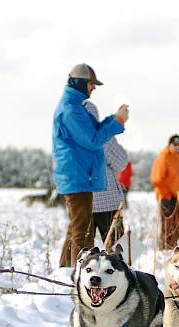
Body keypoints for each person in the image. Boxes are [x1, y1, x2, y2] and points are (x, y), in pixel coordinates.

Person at [52, 63, 129, 267]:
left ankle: (66, 269)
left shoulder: (75, 108)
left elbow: (93, 133)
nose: (93, 88)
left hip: (82, 180)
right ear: (80, 83)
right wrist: (117, 123)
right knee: (84, 232)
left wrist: (116, 120)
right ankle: (79, 273)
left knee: (79, 229)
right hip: (85, 182)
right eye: (91, 84)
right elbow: (95, 140)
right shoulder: (72, 111)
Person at [84, 100, 128, 251]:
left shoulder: (71, 138)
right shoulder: (103, 136)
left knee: (83, 249)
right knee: (119, 249)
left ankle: (76, 272)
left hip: (81, 200)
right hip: (107, 199)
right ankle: (124, 272)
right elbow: (121, 162)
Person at [151, 134, 179, 250]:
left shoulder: (178, 159)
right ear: (169, 145)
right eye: (174, 145)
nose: (176, 147)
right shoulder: (163, 157)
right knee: (168, 226)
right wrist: (167, 195)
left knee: (176, 226)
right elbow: (156, 179)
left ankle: (173, 247)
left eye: (178, 145)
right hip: (168, 197)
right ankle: (165, 248)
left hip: (178, 197)